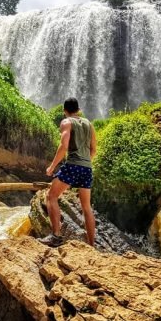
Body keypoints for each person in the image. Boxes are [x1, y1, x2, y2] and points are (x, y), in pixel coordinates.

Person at [39, 97, 97, 247]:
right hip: (87, 168)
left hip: (72, 165)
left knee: (51, 196)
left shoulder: (66, 122)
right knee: (86, 207)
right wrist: (85, 163)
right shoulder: (89, 124)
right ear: (78, 110)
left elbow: (64, 146)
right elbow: (93, 150)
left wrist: (52, 167)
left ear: (65, 111)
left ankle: (56, 236)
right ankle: (92, 245)